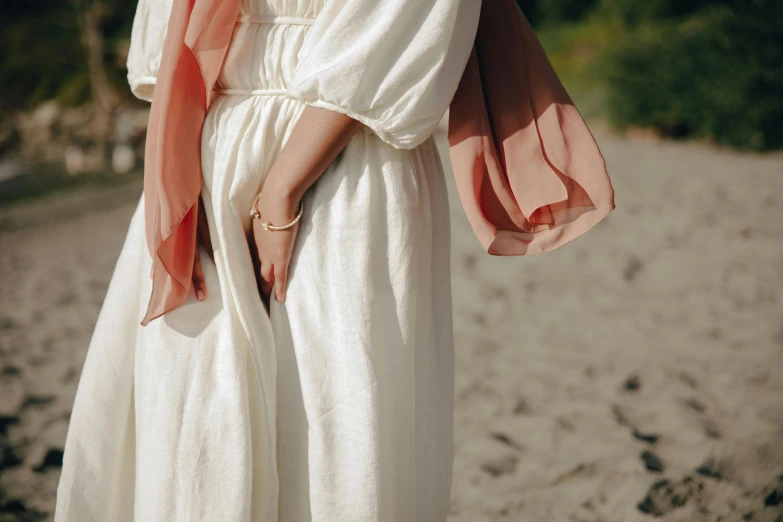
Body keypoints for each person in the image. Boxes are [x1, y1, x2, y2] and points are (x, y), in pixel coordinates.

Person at [55, 0, 482, 521]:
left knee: (332, 415)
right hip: (208, 150)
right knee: (196, 417)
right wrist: (179, 170)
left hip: (343, 150)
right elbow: (170, 43)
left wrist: (281, 191)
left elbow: (397, 21)